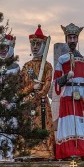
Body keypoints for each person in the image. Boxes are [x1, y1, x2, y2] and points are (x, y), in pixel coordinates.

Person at [53, 23, 84, 159]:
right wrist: (67, 76)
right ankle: (69, 150)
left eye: (74, 38)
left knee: (81, 121)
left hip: (81, 95)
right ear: (67, 40)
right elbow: (56, 82)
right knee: (69, 121)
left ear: (77, 39)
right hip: (68, 93)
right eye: (70, 38)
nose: (72, 40)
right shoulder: (62, 60)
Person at [20, 25, 54, 159]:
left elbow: (47, 84)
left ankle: (44, 151)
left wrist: (39, 93)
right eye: (33, 44)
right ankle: (27, 151)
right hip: (28, 101)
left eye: (38, 44)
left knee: (42, 125)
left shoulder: (47, 65)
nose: (34, 46)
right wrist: (31, 89)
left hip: (41, 102)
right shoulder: (26, 66)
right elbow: (20, 87)